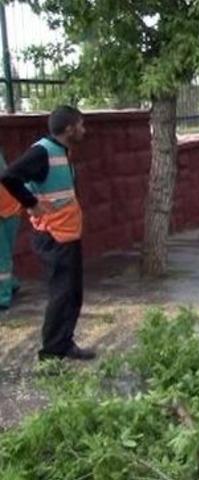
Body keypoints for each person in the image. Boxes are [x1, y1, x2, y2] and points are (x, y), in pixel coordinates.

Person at [0, 106, 94, 361]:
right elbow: (8, 177)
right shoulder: (42, 152)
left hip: (67, 233)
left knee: (72, 294)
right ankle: (51, 353)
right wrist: (30, 203)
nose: (84, 130)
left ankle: (64, 343)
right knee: (62, 294)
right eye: (81, 125)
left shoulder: (61, 152)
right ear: (69, 129)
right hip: (53, 236)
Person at [0, 150, 21, 311]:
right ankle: (10, 284)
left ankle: (3, 296)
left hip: (8, 209)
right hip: (11, 208)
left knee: (3, 255)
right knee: (4, 253)